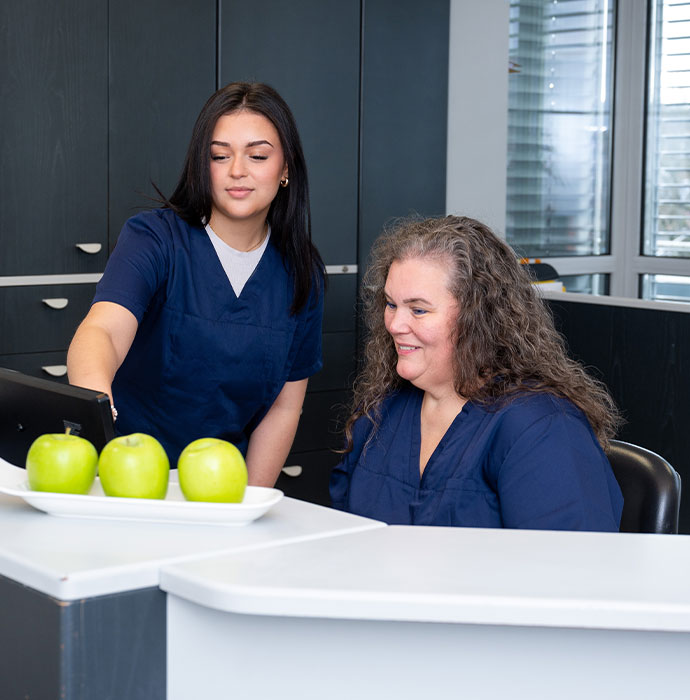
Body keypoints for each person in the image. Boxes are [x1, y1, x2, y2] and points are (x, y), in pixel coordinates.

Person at [67, 82, 325, 486]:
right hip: (121, 474)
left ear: (286, 168)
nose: (237, 170)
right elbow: (102, 331)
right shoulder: (154, 239)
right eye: (219, 156)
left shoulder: (300, 271)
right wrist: (99, 412)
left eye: (257, 155)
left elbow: (284, 408)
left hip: (219, 484)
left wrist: (249, 504)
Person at [330, 215, 623, 531]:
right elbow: (343, 533)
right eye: (391, 304)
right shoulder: (383, 412)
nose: (395, 325)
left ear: (476, 319)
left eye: (418, 310)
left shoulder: (541, 428)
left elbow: (571, 570)